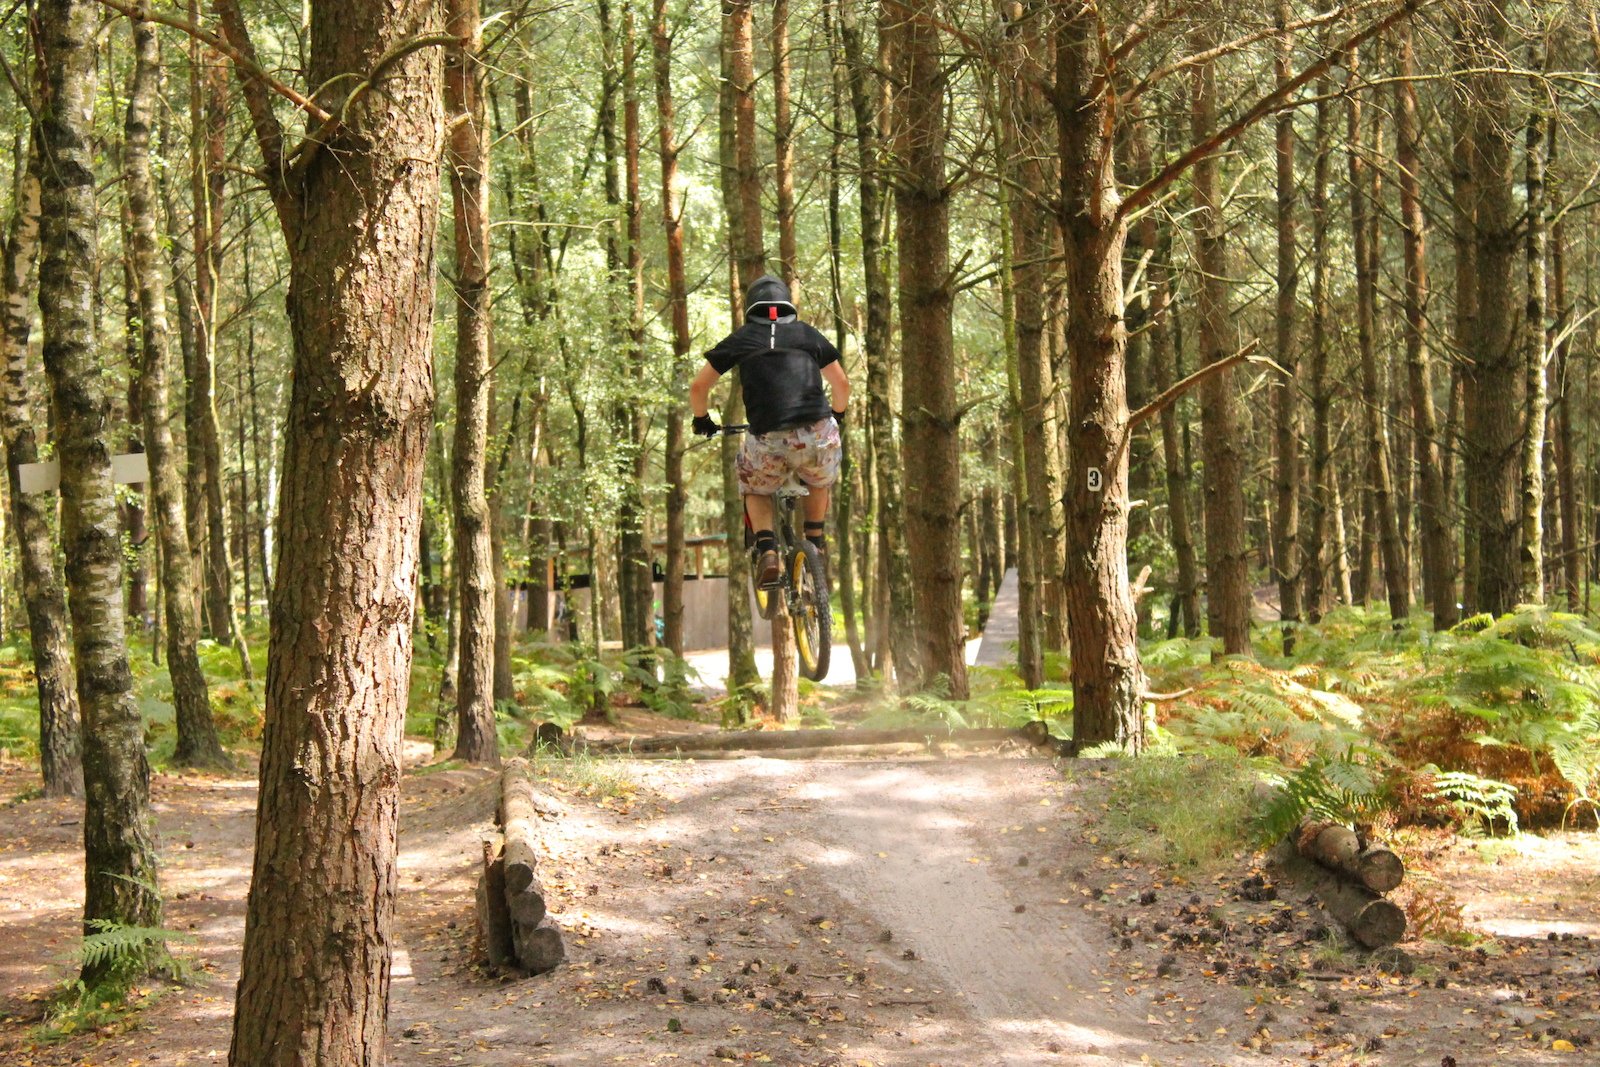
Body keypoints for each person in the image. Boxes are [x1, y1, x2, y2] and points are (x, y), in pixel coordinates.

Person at [689, 275, 849, 589]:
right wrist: (838, 414)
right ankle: (815, 542)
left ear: (752, 307)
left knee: (755, 486)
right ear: (787, 304)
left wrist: (702, 419)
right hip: (817, 433)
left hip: (769, 439)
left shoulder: (743, 337)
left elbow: (698, 387)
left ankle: (767, 550)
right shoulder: (807, 334)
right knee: (820, 478)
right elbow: (841, 384)